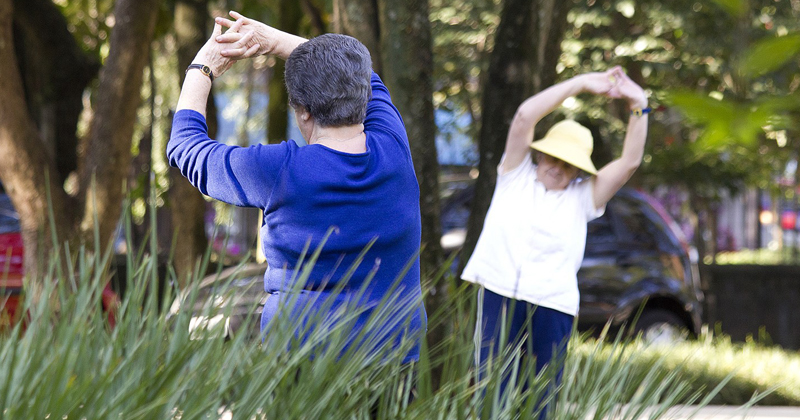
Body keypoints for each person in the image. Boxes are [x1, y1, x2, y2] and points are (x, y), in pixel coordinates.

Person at [168, 12, 426, 363]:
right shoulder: (393, 147)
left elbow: (185, 147)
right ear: (363, 96)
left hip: (303, 367)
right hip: (396, 361)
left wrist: (202, 68)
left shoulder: (278, 171)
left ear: (302, 111)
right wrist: (274, 39)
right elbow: (370, 79)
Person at [461, 67, 649, 397]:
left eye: (568, 164)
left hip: (553, 306)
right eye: (553, 158)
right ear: (540, 153)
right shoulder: (514, 174)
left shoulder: (583, 196)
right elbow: (523, 116)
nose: (558, 168)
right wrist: (580, 84)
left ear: (578, 169)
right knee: (491, 397)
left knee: (542, 401)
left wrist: (639, 102)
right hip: (499, 295)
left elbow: (629, 162)